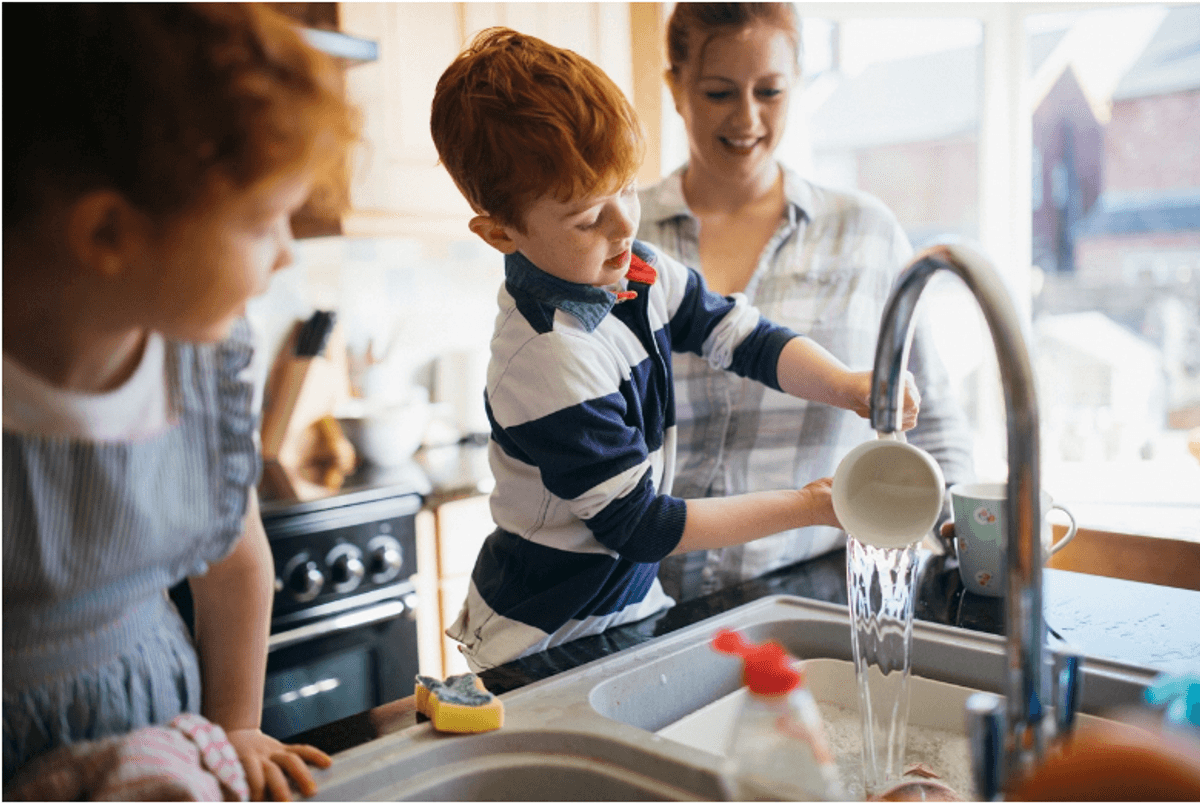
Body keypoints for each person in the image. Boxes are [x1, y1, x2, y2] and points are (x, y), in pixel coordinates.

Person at [428, 27, 921, 672]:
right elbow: (643, 526)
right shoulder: (548, 358)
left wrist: (849, 385)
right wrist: (810, 507)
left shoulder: (631, 269)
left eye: (627, 189)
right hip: (542, 639)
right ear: (500, 232)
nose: (624, 224)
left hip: (626, 615)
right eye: (586, 216)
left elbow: (744, 337)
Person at [2, 4, 358, 798]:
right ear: (107, 235)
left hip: (162, 728)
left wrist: (235, 726)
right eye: (264, 222)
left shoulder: (203, 360)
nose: (286, 255)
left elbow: (234, 563)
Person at [637, 3, 975, 600]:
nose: (747, 118)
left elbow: (933, 420)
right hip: (646, 598)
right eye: (718, 93)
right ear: (675, 87)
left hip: (819, 589)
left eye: (770, 91)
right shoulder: (624, 239)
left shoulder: (866, 233)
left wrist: (963, 547)